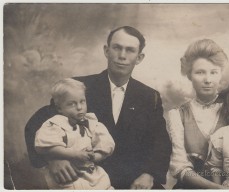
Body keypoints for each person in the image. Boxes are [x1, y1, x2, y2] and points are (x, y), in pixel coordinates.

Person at [25, 26, 172, 189]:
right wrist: (52, 159)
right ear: (106, 51)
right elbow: (36, 125)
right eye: (117, 48)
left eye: (130, 50)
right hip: (86, 180)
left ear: (139, 57)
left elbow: (161, 142)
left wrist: (149, 174)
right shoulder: (79, 88)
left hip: (133, 182)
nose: (122, 56)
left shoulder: (149, 97)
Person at [166, 39, 228, 189]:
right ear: (189, 75)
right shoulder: (177, 115)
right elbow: (180, 167)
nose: (207, 79)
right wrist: (218, 189)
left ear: (220, 74)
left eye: (214, 72)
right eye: (200, 72)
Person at [35, 78, 115, 189]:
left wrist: (93, 157)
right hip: (69, 175)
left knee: (105, 185)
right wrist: (74, 154)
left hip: (92, 174)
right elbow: (44, 147)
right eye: (72, 104)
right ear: (59, 108)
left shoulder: (92, 123)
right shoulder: (56, 124)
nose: (79, 107)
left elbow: (107, 145)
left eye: (82, 101)